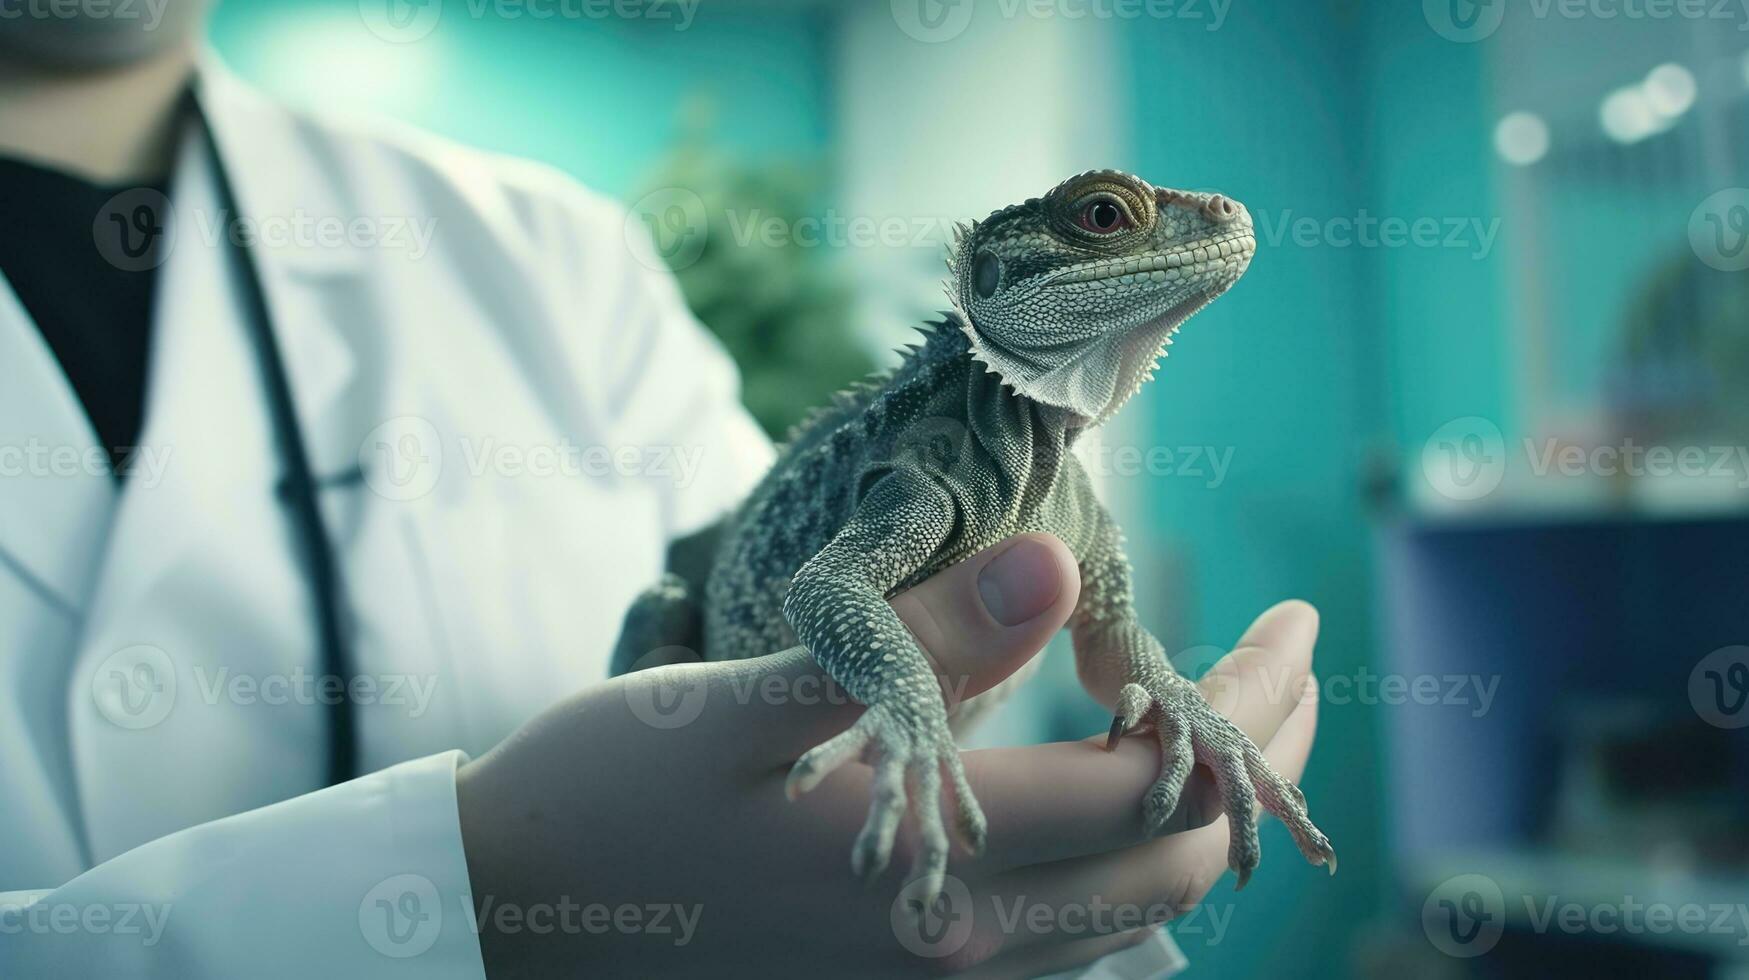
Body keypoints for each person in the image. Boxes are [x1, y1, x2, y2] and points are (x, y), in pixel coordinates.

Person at [0, 6, 1324, 977]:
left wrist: (1173, 717)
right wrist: (499, 893)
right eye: (1105, 218)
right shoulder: (926, 463)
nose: (1172, 226)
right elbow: (823, 589)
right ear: (994, 274)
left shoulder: (550, 255)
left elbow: (1100, 647)